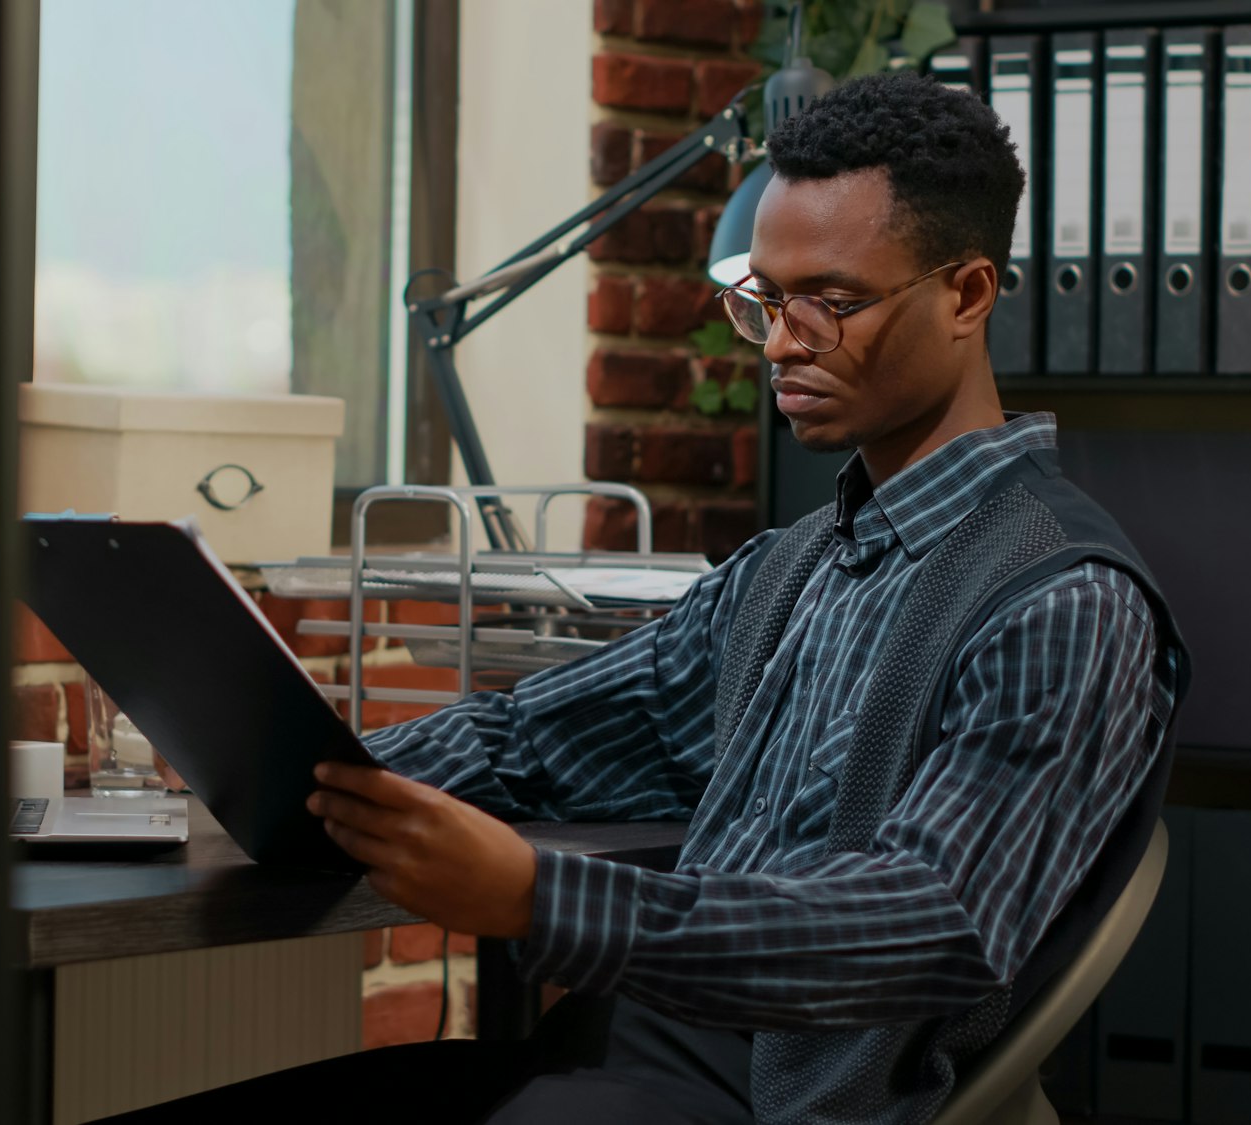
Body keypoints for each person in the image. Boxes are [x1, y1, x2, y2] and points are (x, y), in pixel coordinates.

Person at [102, 72, 1187, 1125]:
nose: (780, 340)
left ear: (965, 294)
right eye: (763, 297)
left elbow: (918, 932)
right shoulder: (790, 571)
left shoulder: (1061, 604)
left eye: (832, 303)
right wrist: (282, 777)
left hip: (764, 1100)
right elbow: (533, 740)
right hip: (611, 1058)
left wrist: (541, 899)